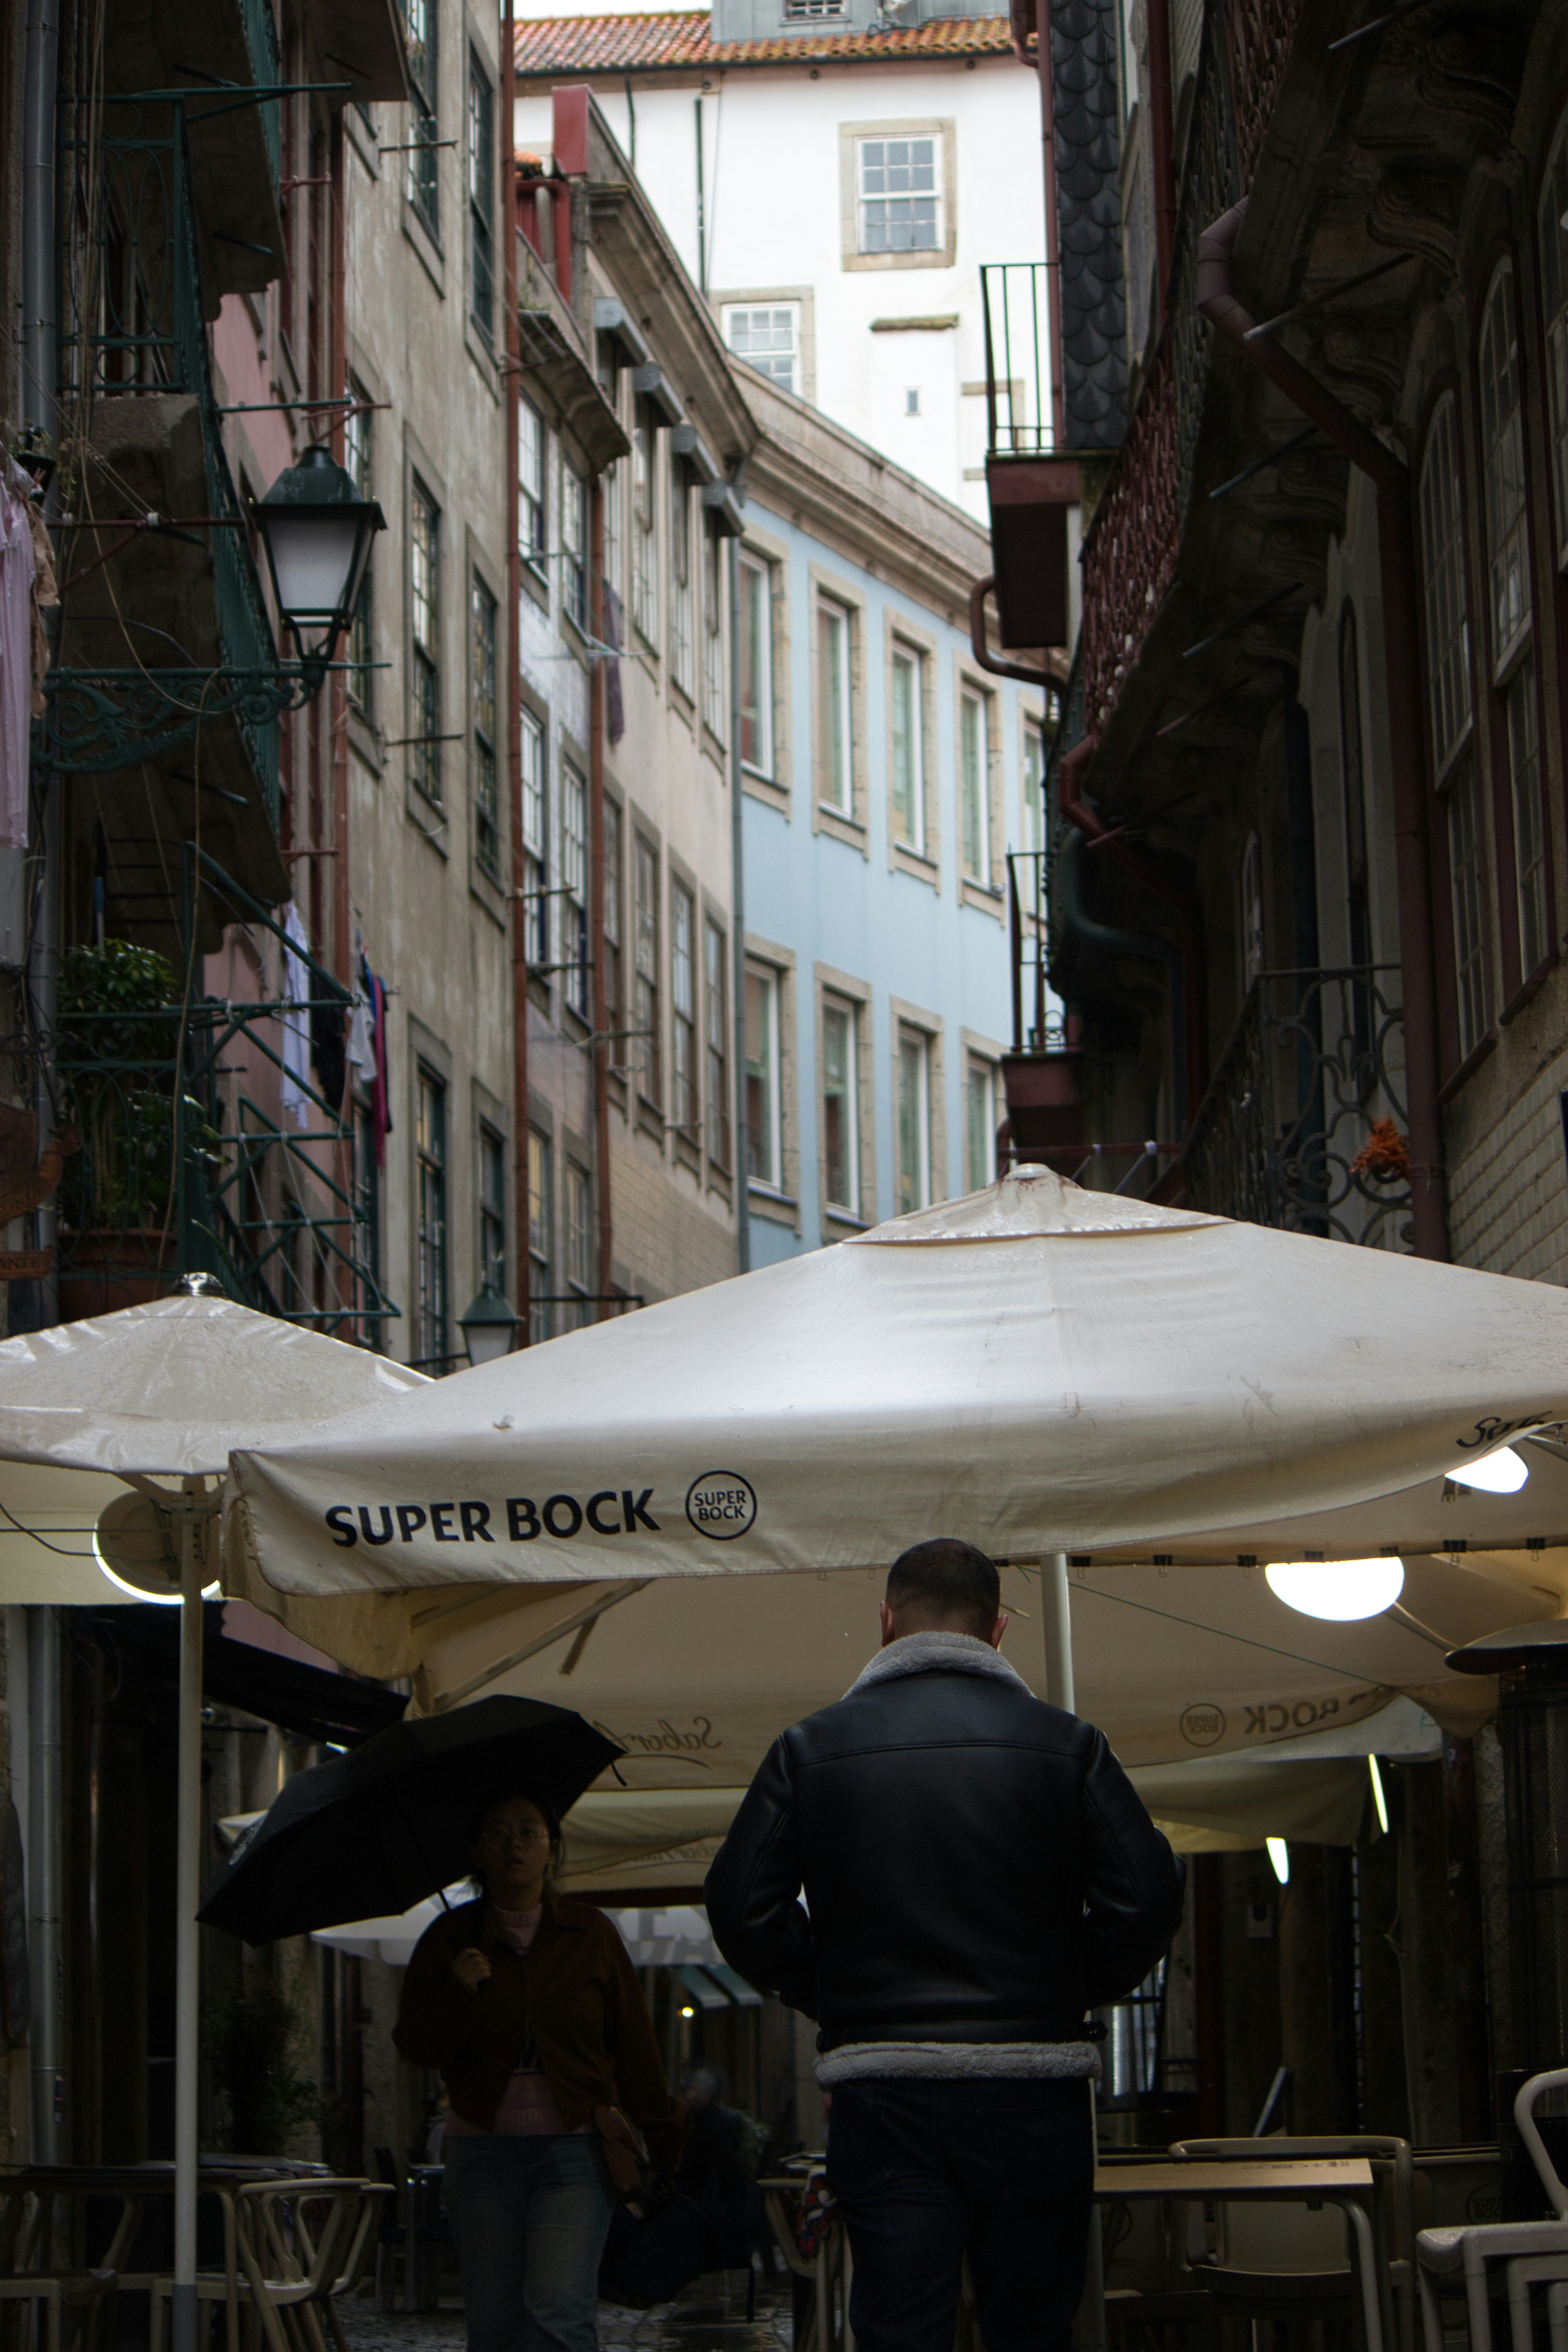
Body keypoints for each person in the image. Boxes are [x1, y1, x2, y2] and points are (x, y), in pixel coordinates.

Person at [705, 1537, 1185, 2352]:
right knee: (1031, 2330)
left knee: (900, 2330)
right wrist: (1063, 1983)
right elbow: (1147, 1898)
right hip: (1035, 2094)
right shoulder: (1068, 1745)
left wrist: (837, 1991)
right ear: (997, 1629)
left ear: (886, 1620)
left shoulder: (810, 1748)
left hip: (885, 2092)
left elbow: (740, 1906)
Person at [394, 1790, 686, 2352]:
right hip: (482, 2154)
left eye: (529, 1832)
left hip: (575, 2153)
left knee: (559, 2311)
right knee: (496, 2322)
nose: (515, 1845)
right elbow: (415, 2045)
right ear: (477, 1852)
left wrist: (665, 2138)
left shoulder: (590, 1935)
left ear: (552, 1850)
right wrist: (457, 1992)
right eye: (498, 1833)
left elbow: (634, 2044)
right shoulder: (450, 1941)